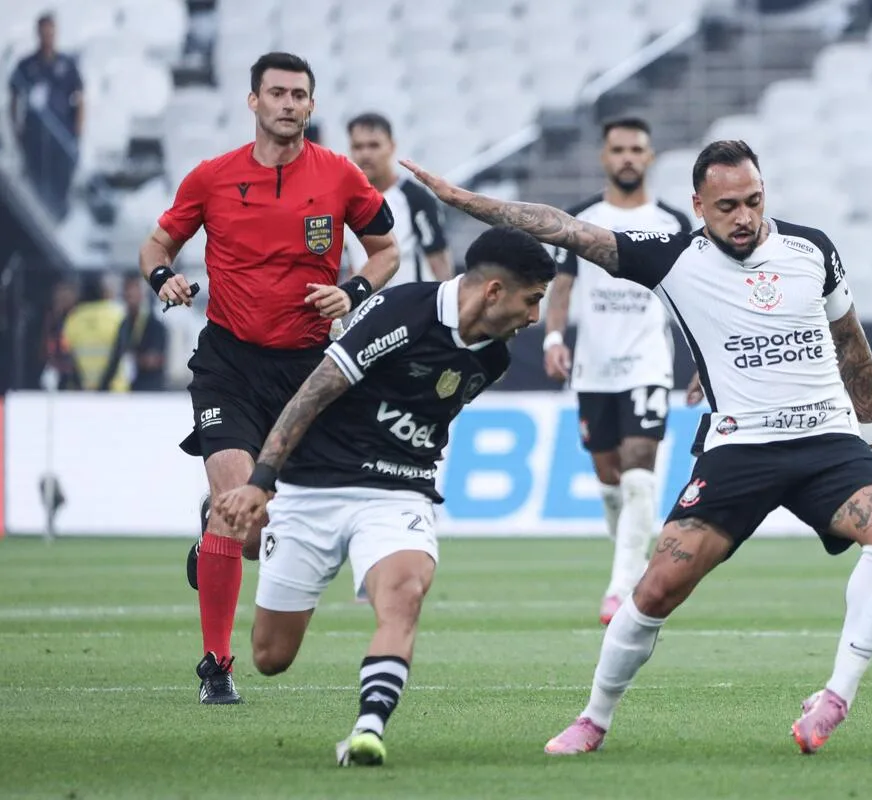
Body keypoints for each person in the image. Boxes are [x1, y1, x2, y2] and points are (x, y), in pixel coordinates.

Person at [402, 139, 872, 756]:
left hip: (825, 438)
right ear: (698, 206)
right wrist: (465, 203)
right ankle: (593, 719)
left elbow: (851, 344)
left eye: (753, 201)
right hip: (741, 448)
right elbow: (564, 230)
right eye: (727, 206)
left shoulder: (812, 250)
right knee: (656, 590)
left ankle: (835, 697)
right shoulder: (672, 259)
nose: (745, 218)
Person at [212, 226, 554, 766]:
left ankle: (368, 729)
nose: (535, 317)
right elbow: (313, 392)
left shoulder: (495, 358)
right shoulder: (403, 311)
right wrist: (261, 481)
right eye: (531, 300)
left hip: (399, 492)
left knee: (404, 596)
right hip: (311, 489)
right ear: (493, 292)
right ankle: (253, 523)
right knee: (270, 656)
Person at [137, 52, 399, 705]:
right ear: (253, 101)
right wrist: (162, 278)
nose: (288, 103)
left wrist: (356, 290)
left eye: (299, 95)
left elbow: (387, 250)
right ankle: (216, 665)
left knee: (255, 533)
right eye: (276, 93)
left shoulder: (339, 177)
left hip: (309, 369)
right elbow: (155, 245)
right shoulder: (212, 178)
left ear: (311, 106)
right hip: (227, 362)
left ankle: (215, 538)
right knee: (236, 513)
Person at [542, 117, 692, 625]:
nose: (628, 157)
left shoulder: (673, 223)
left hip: (648, 364)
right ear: (605, 158)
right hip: (594, 370)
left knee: (637, 476)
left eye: (637, 149)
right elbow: (562, 285)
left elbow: (696, 298)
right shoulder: (582, 218)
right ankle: (631, 558)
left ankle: (622, 586)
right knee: (611, 484)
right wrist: (554, 336)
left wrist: (703, 363)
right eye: (619, 149)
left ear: (649, 158)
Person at [343, 113, 453, 286]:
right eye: (358, 147)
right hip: (367, 310)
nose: (365, 154)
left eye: (374, 145)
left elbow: (438, 260)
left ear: (391, 146)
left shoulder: (415, 198)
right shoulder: (345, 201)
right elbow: (353, 262)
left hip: (412, 308)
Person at [8, 12, 83, 222]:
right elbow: (14, 97)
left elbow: (79, 99)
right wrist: (16, 128)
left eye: (50, 32)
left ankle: (60, 221)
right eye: (43, 32)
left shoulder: (66, 65)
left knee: (60, 183)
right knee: (34, 182)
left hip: (61, 137)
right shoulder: (26, 66)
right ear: (37, 34)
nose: (47, 37)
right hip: (34, 138)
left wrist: (77, 132)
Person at [98, 272, 168, 391]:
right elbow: (115, 357)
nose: (129, 295)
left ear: (141, 295)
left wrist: (133, 360)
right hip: (128, 389)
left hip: (151, 390)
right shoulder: (123, 324)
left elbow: (155, 360)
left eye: (133, 291)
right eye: (127, 292)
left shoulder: (155, 325)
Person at [61, 273, 126, 391]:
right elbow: (119, 354)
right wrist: (103, 386)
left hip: (82, 391)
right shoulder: (116, 315)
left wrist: (81, 385)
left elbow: (69, 358)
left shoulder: (73, 318)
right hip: (114, 392)